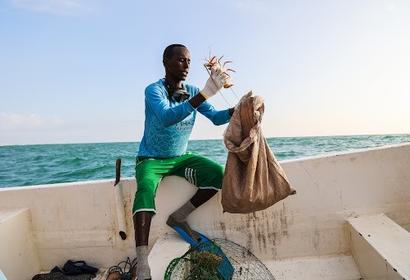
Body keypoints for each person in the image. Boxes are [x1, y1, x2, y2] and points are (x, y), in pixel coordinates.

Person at [133, 44, 234, 280]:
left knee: (218, 174)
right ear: (166, 62)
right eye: (180, 60)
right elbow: (167, 117)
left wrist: (238, 110)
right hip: (151, 158)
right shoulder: (153, 90)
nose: (186, 65)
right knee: (146, 189)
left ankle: (179, 216)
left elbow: (217, 119)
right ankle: (142, 262)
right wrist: (204, 95)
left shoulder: (192, 89)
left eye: (188, 61)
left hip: (181, 158)